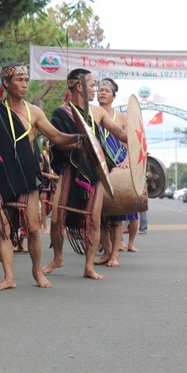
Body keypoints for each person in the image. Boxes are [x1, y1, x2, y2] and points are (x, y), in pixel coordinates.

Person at [0, 63, 80, 290]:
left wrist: (80, 138)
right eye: (19, 80)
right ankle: (8, 278)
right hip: (1, 176)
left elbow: (57, 136)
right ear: (6, 83)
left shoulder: (34, 111)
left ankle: (36, 271)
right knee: (3, 230)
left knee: (33, 228)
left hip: (27, 177)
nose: (24, 84)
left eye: (26, 80)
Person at [42, 68, 127, 280]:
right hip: (70, 168)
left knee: (94, 220)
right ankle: (58, 257)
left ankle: (88, 266)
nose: (94, 88)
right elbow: (58, 141)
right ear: (79, 87)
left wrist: (136, 135)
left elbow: (120, 134)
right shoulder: (61, 112)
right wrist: (76, 142)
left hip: (94, 171)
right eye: (91, 84)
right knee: (56, 219)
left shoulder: (98, 112)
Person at [93, 77, 134, 267]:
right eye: (100, 89)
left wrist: (126, 159)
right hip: (99, 165)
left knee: (117, 215)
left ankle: (115, 254)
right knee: (100, 214)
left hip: (118, 166)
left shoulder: (123, 118)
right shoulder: (92, 114)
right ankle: (106, 251)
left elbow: (130, 140)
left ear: (114, 96)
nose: (102, 92)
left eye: (107, 90)